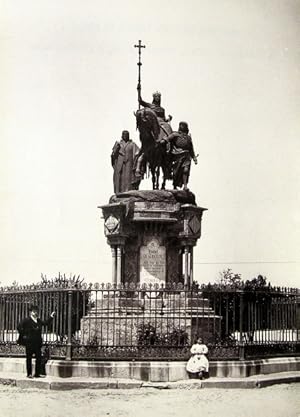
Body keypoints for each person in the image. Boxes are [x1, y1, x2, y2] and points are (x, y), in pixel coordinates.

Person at [17, 305, 55, 378]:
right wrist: (24, 335)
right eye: (34, 311)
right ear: (30, 312)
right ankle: (29, 374)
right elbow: (19, 327)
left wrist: (51, 316)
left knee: (39, 358)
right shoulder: (26, 320)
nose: (35, 313)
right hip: (29, 343)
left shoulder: (38, 320)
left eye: (36, 311)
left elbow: (45, 323)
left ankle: (37, 374)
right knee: (29, 358)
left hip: (37, 343)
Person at [163, 121, 197, 190]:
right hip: (177, 155)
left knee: (186, 170)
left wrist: (194, 158)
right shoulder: (175, 135)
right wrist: (163, 141)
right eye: (181, 126)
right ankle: (175, 186)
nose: (182, 127)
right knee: (176, 172)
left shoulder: (188, 137)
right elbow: (167, 139)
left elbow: (191, 148)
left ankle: (185, 186)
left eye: (184, 126)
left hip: (186, 156)